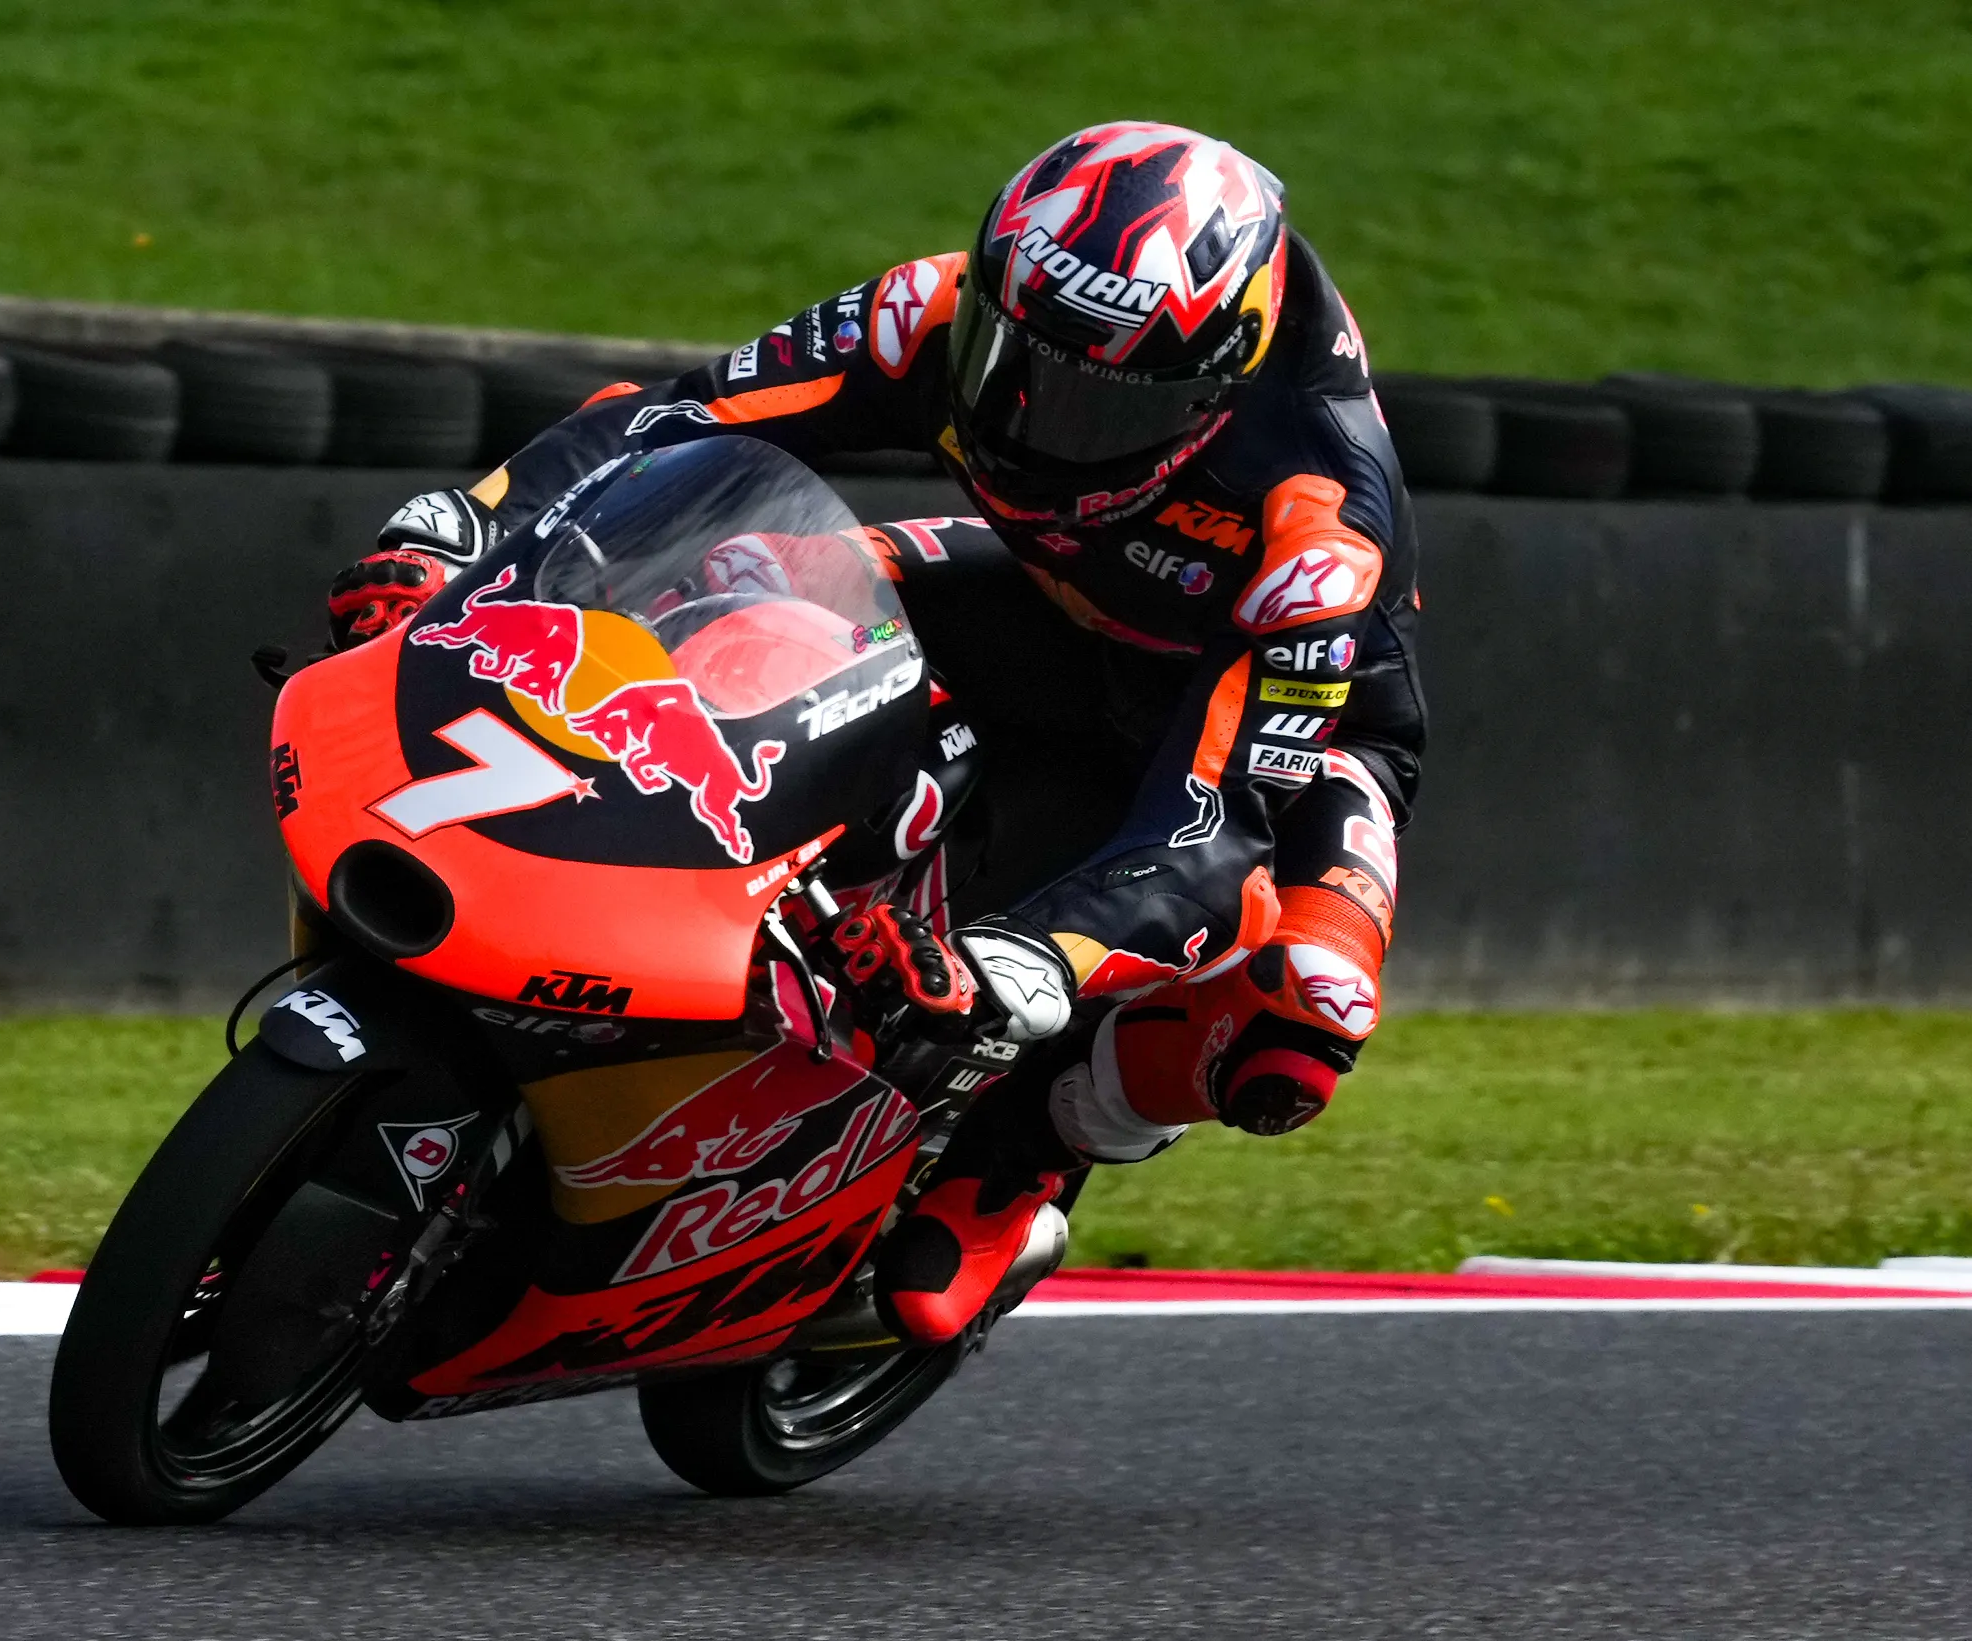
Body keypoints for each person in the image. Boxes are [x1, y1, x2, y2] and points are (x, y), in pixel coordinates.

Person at [327, 122, 1424, 1346]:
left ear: (1210, 392)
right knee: (737, 571)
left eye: (1092, 401)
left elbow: (1217, 819)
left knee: (1302, 1009)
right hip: (1041, 599)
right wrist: (452, 534)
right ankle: (637, 886)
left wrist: (1034, 965)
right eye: (1012, 357)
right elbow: (674, 423)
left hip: (1272, 726)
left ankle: (1028, 1154)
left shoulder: (1315, 524)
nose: (1030, 415)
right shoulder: (923, 310)